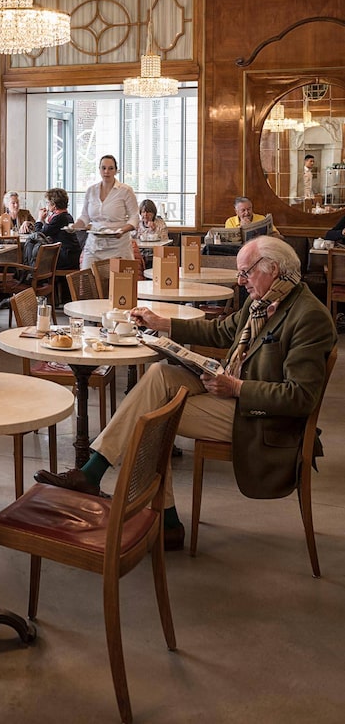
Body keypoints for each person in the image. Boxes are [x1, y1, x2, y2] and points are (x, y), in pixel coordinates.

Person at [34, 236, 337, 551]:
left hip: (263, 418)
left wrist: (236, 387)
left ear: (272, 268)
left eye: (246, 272)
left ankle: (162, 518)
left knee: (155, 418)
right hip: (235, 390)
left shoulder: (308, 316)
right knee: (159, 374)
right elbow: (220, 331)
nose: (240, 280)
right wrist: (162, 324)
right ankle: (95, 477)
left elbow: (300, 397)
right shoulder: (261, 301)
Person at [67, 155, 138, 293]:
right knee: (86, 286)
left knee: (120, 289)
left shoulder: (125, 191)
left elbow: (134, 217)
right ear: (99, 169)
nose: (106, 171)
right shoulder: (91, 190)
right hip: (94, 245)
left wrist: (122, 230)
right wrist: (74, 227)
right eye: (103, 168)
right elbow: (85, 217)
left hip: (118, 246)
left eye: (110, 168)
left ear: (116, 170)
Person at [31, 188, 80, 270]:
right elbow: (48, 230)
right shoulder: (66, 216)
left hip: (65, 259)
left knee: (36, 257)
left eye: (47, 202)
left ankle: (31, 274)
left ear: (54, 204)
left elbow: (38, 234)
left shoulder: (59, 218)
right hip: (71, 256)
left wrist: (39, 219)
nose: (46, 205)